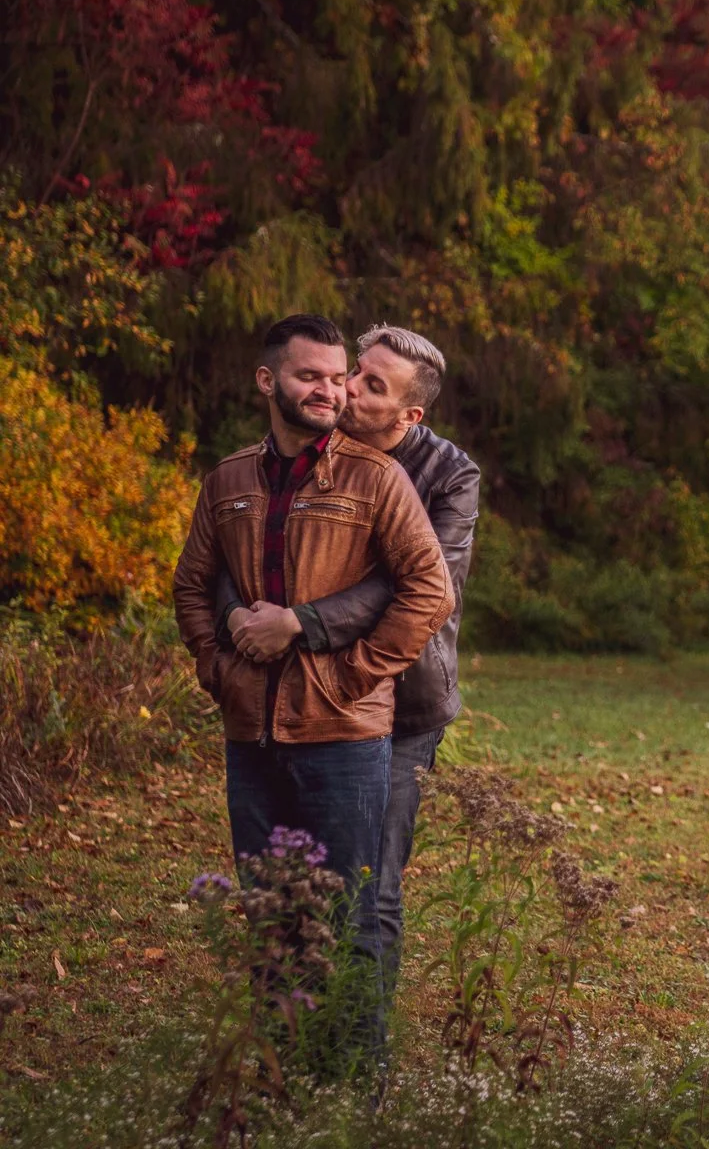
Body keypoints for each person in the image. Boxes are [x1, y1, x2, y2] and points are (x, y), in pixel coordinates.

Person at [171, 313, 452, 1054]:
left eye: (339, 377)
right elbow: (192, 589)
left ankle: (353, 1090)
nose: (331, 390)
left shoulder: (376, 478)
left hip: (344, 736)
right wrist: (217, 668)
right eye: (312, 376)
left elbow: (430, 591)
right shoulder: (228, 480)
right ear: (270, 381)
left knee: (353, 919)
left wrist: (351, 677)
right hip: (250, 735)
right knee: (270, 917)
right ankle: (282, 1072)